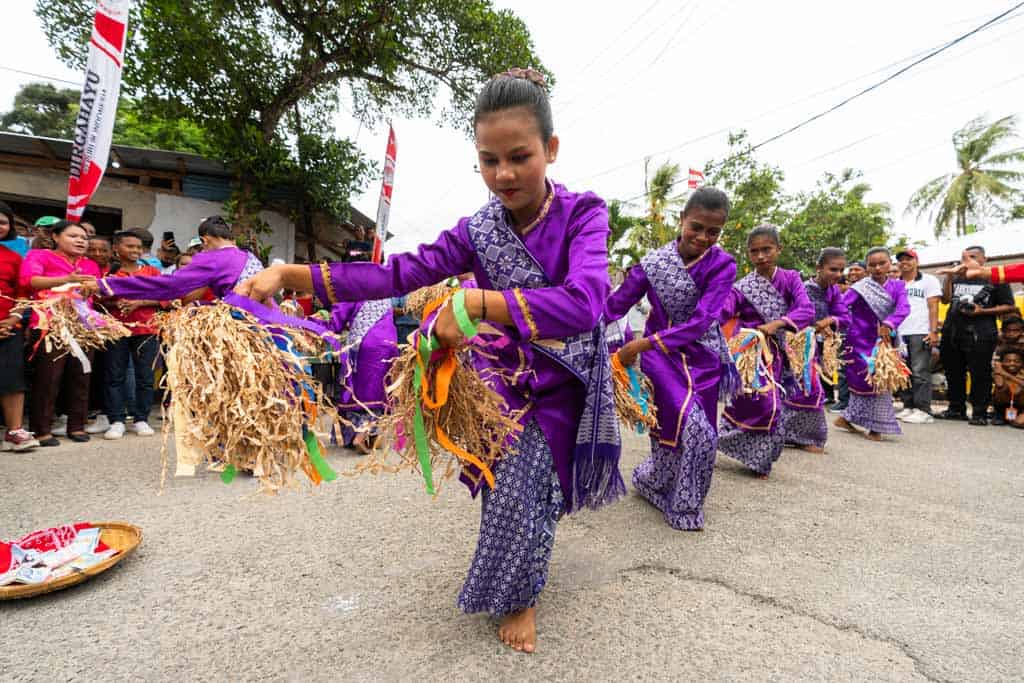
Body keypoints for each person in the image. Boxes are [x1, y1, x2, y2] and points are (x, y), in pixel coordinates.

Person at [235, 68, 623, 654]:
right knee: (509, 484)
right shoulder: (480, 230)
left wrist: (472, 301)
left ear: (552, 149)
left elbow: (585, 302)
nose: (505, 174)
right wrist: (294, 274)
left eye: (520, 156)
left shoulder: (584, 215)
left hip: (567, 375)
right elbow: (397, 273)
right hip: (506, 376)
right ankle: (518, 584)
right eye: (489, 161)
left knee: (536, 487)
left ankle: (521, 592)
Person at [605, 187, 736, 530]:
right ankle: (665, 488)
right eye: (696, 227)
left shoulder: (723, 265)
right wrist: (576, 322)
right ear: (682, 220)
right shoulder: (654, 264)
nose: (703, 237)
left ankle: (678, 494)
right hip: (660, 359)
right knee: (689, 427)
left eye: (713, 232)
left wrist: (642, 345)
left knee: (698, 430)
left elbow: (703, 320)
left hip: (702, 356)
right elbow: (616, 305)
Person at [716, 224, 814, 477]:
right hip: (752, 354)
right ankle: (738, 448)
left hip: (782, 351)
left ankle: (753, 456)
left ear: (778, 250)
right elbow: (723, 309)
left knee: (775, 404)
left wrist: (778, 323)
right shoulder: (742, 286)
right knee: (762, 403)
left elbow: (806, 309)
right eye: (754, 251)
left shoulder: (791, 278)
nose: (761, 256)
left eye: (766, 250)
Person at [19, 221, 101, 446]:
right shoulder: (40, 256)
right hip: (50, 324)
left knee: (82, 376)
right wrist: (67, 280)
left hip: (83, 327)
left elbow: (96, 291)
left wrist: (90, 289)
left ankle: (77, 425)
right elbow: (30, 281)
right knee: (48, 378)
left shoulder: (90, 264)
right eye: (73, 236)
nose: (80, 240)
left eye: (84, 237)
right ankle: (41, 428)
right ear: (55, 237)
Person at [82, 216, 264, 303]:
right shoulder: (249, 256)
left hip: (244, 323)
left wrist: (108, 285)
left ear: (204, 240)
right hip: (269, 322)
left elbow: (169, 285)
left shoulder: (212, 258)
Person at [834, 247, 910, 441]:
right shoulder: (860, 288)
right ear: (867, 267)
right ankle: (874, 428)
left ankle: (850, 419)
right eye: (872, 265)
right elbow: (842, 306)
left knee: (881, 381)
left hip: (885, 340)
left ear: (890, 263)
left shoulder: (898, 286)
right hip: (860, 341)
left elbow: (904, 308)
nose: (877, 268)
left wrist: (889, 323)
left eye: (882, 263)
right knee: (867, 381)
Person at [937, 246, 1017, 425]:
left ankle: (979, 412)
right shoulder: (957, 275)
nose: (968, 260)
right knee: (953, 371)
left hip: (982, 332)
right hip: (953, 331)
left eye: (973, 256)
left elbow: (1009, 306)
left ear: (984, 260)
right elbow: (946, 299)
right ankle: (956, 409)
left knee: (980, 373)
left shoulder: (995, 278)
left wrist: (983, 311)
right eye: (965, 257)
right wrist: (949, 277)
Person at [782, 247, 850, 453]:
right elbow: (792, 314)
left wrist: (830, 320)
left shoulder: (833, 292)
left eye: (841, 270)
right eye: (833, 269)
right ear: (819, 268)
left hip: (815, 347)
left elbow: (846, 318)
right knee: (801, 388)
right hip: (796, 345)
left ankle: (803, 436)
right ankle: (789, 433)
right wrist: (809, 327)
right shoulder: (802, 288)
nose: (838, 275)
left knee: (810, 389)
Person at [100, 231, 163, 439]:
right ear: (116, 249)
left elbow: (167, 298)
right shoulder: (109, 273)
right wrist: (114, 303)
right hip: (116, 329)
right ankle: (116, 420)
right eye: (130, 246)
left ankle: (141, 419)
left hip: (146, 329)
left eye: (138, 247)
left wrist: (140, 303)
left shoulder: (152, 271)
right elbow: (97, 300)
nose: (135, 250)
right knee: (114, 375)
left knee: (145, 376)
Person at [328, 298, 399, 453]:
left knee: (361, 390)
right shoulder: (384, 284)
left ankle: (360, 434)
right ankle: (371, 435)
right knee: (379, 390)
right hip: (389, 341)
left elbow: (336, 320)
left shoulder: (353, 285)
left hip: (366, 342)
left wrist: (316, 326)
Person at [0, 202, 39, 451]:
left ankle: (14, 431)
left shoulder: (14, 257)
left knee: (12, 379)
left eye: (3, 222)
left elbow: (24, 294)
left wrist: (12, 320)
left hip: (7, 327)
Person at [894, 248, 941, 424]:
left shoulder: (928, 280)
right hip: (899, 332)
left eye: (909, 259)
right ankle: (908, 406)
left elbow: (933, 307)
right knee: (902, 372)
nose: (904, 262)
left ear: (916, 261)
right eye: (901, 260)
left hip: (920, 331)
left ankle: (924, 410)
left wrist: (933, 331)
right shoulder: (895, 283)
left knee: (920, 371)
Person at [991, 347, 1024, 428]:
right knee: (1002, 387)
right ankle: (999, 415)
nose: (1012, 364)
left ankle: (1015, 418)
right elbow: (999, 385)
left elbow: (1017, 390)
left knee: (1018, 423)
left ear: (1022, 363)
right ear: (1002, 362)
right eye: (1008, 361)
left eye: (1017, 361)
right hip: (1003, 406)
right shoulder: (999, 371)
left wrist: (1006, 374)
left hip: (1021, 406)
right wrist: (1000, 370)